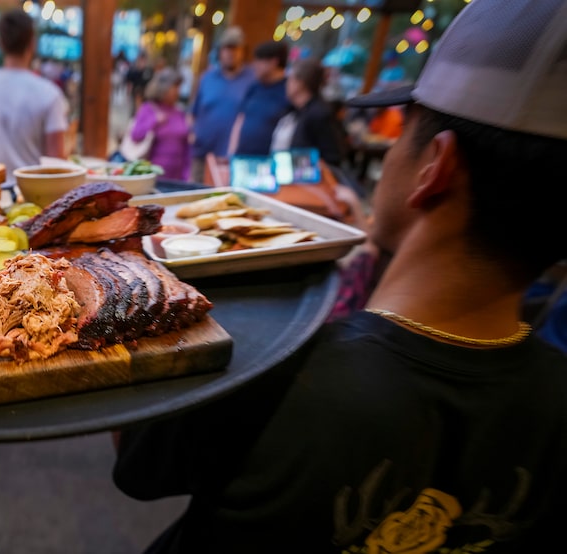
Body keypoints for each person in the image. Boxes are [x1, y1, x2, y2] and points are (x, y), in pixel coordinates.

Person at [112, 1, 567, 551]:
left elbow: (138, 468)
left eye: (406, 129)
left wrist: (136, 290)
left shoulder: (272, 371)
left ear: (434, 168)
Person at [0, 9, 68, 173]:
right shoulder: (50, 94)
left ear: (0, 43)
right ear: (32, 44)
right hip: (35, 193)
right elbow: (56, 163)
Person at [188, 26, 256, 183]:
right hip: (202, 155)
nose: (230, 53)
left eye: (235, 49)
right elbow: (194, 111)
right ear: (220, 51)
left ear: (243, 51)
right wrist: (193, 133)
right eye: (227, 48)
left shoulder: (252, 79)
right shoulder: (207, 77)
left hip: (232, 159)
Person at [271, 57, 346, 166]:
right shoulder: (293, 110)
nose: (286, 83)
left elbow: (332, 156)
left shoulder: (319, 114)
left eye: (290, 79)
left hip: (304, 179)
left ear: (300, 83)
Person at [227, 41, 291, 157]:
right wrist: (231, 151)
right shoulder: (254, 87)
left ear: (273, 62)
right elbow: (240, 119)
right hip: (242, 158)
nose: (254, 65)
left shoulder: (288, 91)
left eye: (258, 61)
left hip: (268, 162)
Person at [129, 67, 190, 181]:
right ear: (163, 87)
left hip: (178, 177)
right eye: (175, 87)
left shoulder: (179, 112)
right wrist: (153, 122)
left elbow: (186, 146)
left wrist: (186, 174)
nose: (178, 91)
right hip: (154, 175)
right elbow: (135, 136)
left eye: (179, 87)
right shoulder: (148, 109)